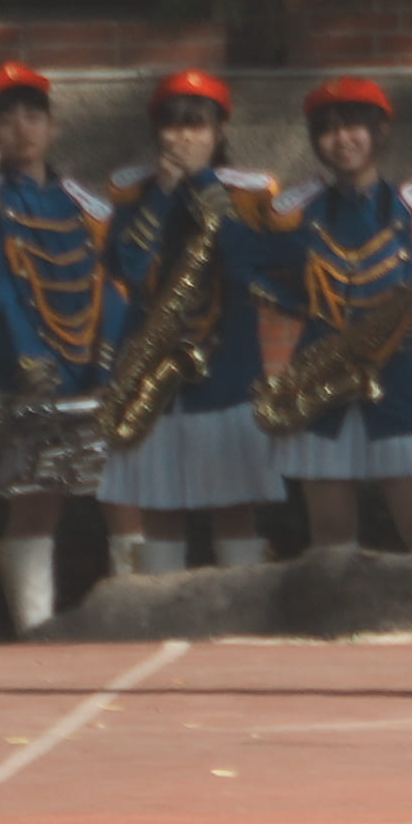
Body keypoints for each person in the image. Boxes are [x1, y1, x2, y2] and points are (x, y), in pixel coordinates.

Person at [237, 80, 412, 560]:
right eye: (327, 129)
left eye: (353, 126)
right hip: (322, 386)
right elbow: (244, 261)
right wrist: (298, 304)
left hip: (399, 382)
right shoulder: (300, 212)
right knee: (330, 542)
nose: (341, 139)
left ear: (380, 132)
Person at [97, 70, 282, 577]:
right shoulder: (134, 191)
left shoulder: (249, 192)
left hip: (227, 370)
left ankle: (241, 607)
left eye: (196, 125)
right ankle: (161, 609)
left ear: (219, 132)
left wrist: (201, 180)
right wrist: (162, 191)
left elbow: (246, 261)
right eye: (172, 125)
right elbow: (129, 268)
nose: (182, 137)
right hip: (153, 375)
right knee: (160, 511)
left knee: (234, 508)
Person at [0, 62, 112, 634]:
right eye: (6, 120)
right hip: (30, 370)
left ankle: (138, 622)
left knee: (127, 495)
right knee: (36, 498)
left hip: (93, 366)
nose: (22, 129)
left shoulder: (87, 205)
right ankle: (35, 631)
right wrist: (25, 356)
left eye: (33, 115)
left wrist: (111, 355)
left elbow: (110, 285)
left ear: (51, 124)